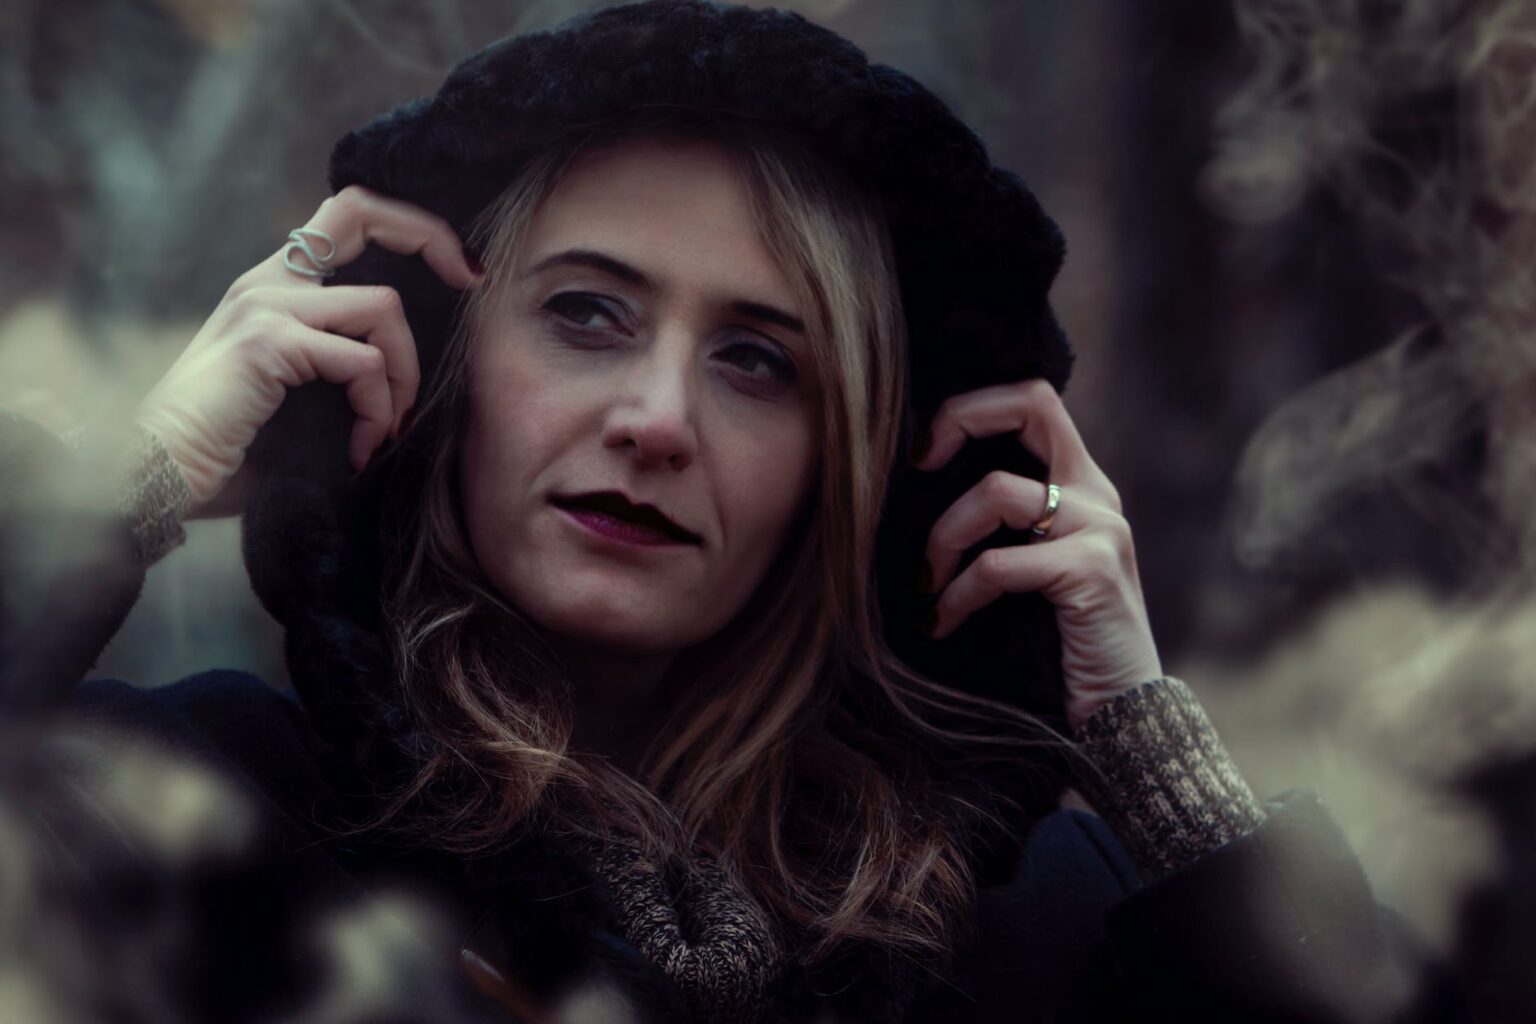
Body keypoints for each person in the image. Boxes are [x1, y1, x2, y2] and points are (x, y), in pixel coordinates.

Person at [0, 1, 1465, 1021]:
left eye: (760, 361)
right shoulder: (194, 808)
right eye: (584, 314)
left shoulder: (1021, 933)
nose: (655, 420)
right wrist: (122, 485)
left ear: (869, 462)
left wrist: (1155, 755)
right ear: (440, 364)